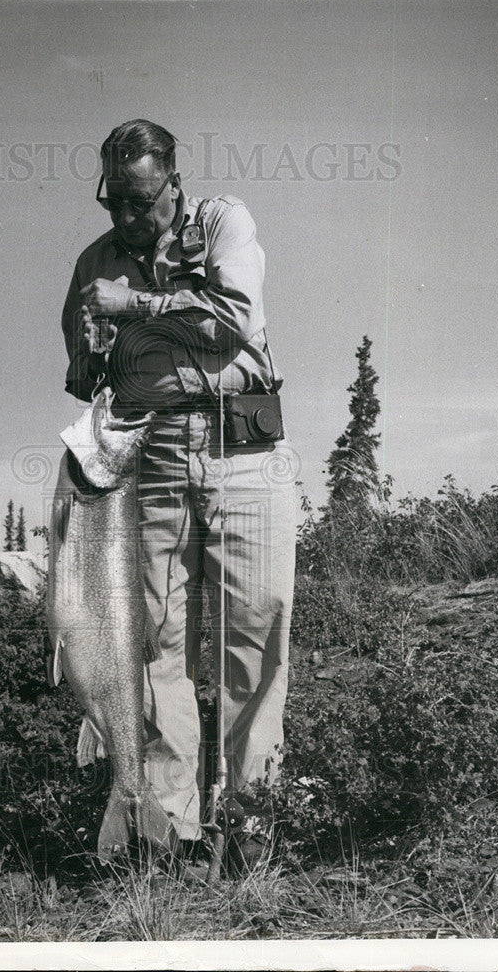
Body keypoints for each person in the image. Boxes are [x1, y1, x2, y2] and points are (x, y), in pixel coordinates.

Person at [61, 119, 296, 869]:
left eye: (139, 198)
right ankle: (164, 833)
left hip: (245, 450)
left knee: (254, 634)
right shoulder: (94, 263)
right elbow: (82, 372)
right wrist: (93, 337)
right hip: (149, 455)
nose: (127, 216)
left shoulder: (224, 221)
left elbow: (235, 320)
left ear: (171, 179)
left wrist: (133, 307)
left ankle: (248, 830)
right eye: (114, 202)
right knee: (153, 641)